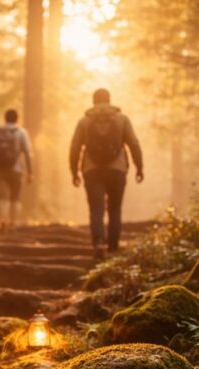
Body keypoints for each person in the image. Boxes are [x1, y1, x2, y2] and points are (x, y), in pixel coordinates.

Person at [69, 88, 144, 259]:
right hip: (117, 170)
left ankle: (98, 243)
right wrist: (139, 167)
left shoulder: (84, 121)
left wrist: (74, 171)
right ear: (109, 100)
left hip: (91, 170)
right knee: (115, 209)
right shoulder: (122, 119)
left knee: (96, 209)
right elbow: (134, 143)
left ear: (93, 101)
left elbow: (75, 147)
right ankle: (113, 247)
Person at [0, 109, 33, 228]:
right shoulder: (21, 132)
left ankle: (3, 221)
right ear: (17, 118)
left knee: (2, 196)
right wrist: (30, 172)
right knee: (15, 196)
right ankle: (13, 223)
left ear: (5, 118)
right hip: (16, 169)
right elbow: (27, 152)